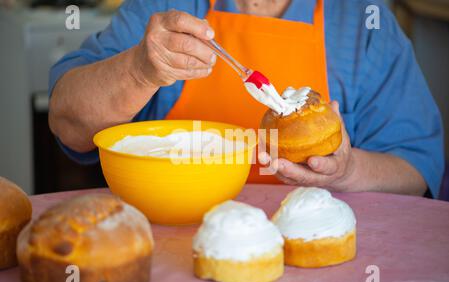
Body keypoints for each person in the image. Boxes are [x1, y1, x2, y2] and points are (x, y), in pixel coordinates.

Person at [48, 0, 444, 197]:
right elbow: (68, 122)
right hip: (168, 251)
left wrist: (348, 170)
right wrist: (138, 70)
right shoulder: (165, 7)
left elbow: (416, 169)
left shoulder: (362, 19)